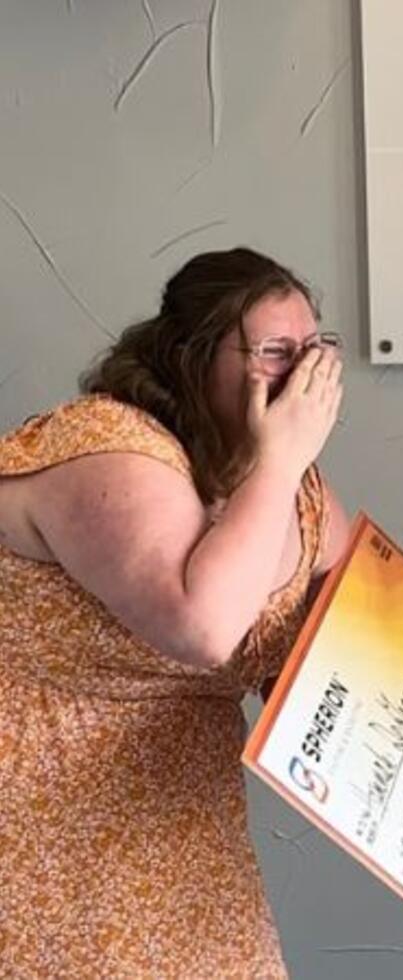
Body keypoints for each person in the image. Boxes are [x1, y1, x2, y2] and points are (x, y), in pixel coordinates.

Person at [0, 247, 351, 977]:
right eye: (277, 353)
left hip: (190, 851)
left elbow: (356, 631)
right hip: (49, 848)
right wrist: (280, 461)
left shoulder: (272, 480)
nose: (305, 379)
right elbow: (204, 627)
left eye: (315, 350)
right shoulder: (107, 450)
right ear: (194, 356)